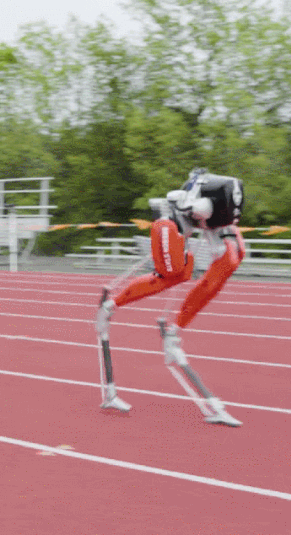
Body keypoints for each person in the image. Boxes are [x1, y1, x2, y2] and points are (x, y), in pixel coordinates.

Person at [94, 168, 246, 426]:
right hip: (169, 226)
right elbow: (187, 199)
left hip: (192, 221)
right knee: (175, 274)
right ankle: (111, 305)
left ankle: (174, 330)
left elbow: (218, 264)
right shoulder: (202, 207)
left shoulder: (224, 212)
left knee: (231, 257)